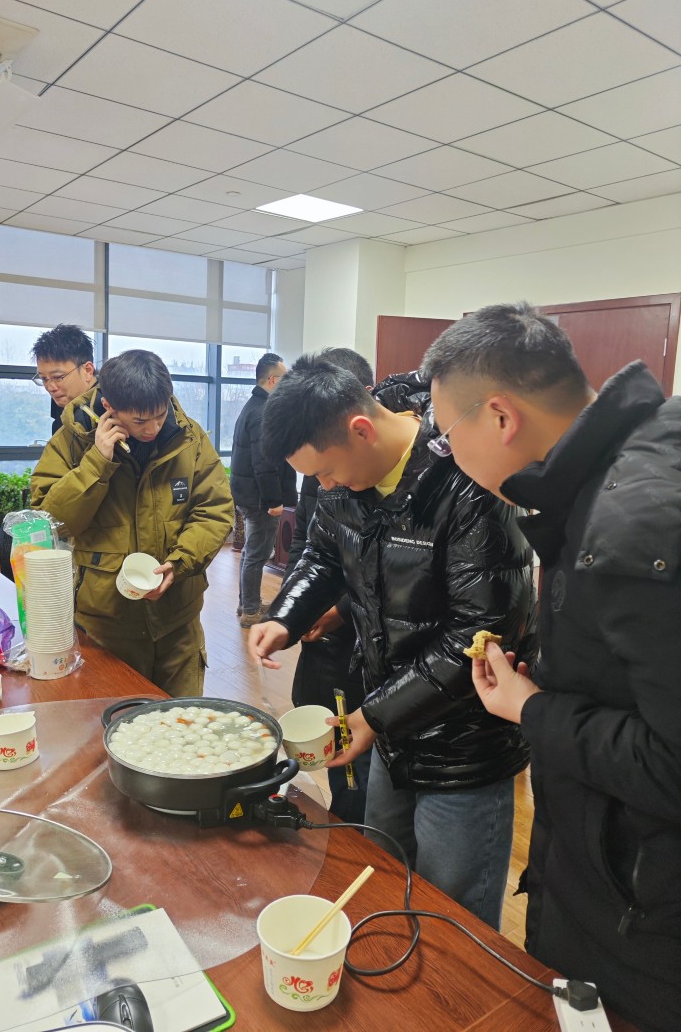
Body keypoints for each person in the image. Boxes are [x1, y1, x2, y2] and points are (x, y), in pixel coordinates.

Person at [421, 303, 681, 1032]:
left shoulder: (632, 528)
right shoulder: (642, 452)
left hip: (642, 914)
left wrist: (530, 709)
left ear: (500, 417)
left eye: (447, 438)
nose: (449, 457)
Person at [249, 354, 537, 929]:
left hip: (463, 747)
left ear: (361, 429)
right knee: (384, 877)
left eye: (326, 473)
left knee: (452, 915)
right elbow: (323, 551)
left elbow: (477, 636)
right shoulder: (343, 475)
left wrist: (373, 716)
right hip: (390, 725)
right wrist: (285, 616)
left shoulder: (469, 480)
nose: (325, 486)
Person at [31, 349, 233, 696]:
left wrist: (180, 562)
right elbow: (51, 523)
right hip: (106, 625)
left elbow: (214, 510)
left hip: (177, 620)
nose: (153, 428)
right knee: (112, 721)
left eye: (160, 415)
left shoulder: (189, 438)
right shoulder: (72, 441)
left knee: (181, 719)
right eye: (140, 421)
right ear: (109, 406)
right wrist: (97, 462)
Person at [283, 347, 375, 823]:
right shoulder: (321, 459)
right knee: (330, 741)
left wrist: (339, 609)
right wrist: (294, 609)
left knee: (362, 765)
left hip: (365, 642)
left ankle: (359, 834)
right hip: (325, 642)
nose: (326, 482)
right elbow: (309, 544)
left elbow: (379, 573)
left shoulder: (378, 471)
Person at [230, 352, 297, 628]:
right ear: (272, 380)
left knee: (251, 552)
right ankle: (251, 611)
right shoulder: (262, 412)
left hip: (248, 493)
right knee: (257, 553)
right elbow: (264, 462)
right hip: (260, 498)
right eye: (285, 378)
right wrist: (274, 501)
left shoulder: (253, 406)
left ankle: (247, 603)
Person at [31, 324, 97, 434]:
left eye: (58, 377)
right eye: (44, 379)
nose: (50, 387)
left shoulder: (112, 409)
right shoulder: (64, 408)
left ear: (88, 370)